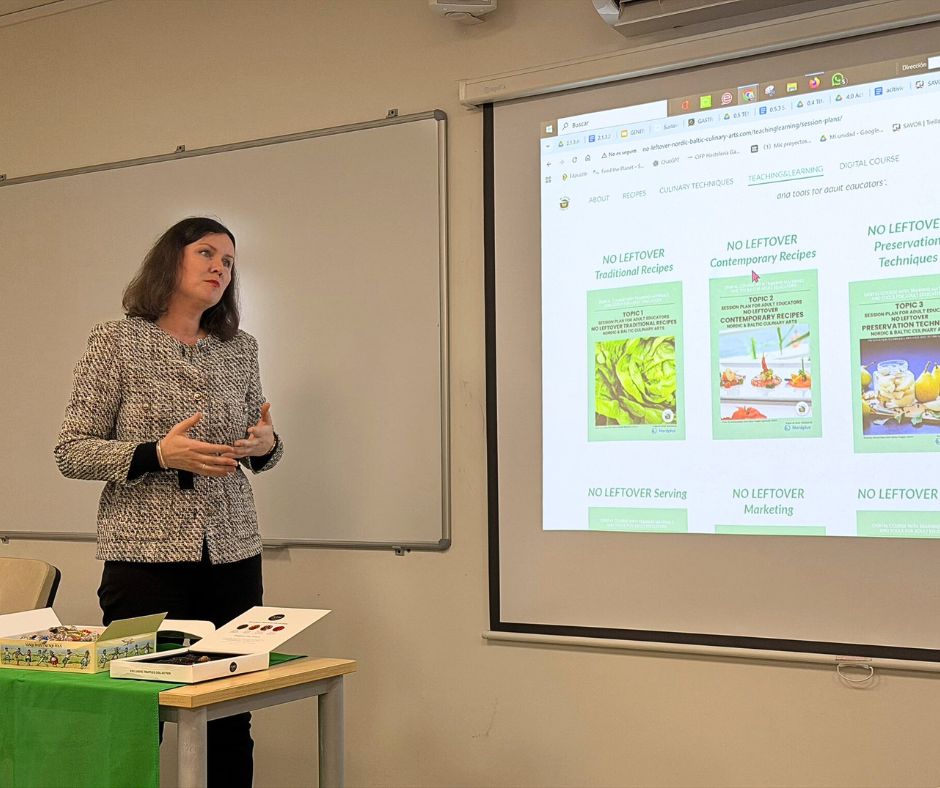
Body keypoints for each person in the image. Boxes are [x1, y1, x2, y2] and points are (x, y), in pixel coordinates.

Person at [54, 216, 283, 787]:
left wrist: (266, 445)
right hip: (144, 561)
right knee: (136, 715)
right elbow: (71, 451)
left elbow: (257, 437)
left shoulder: (240, 349)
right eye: (206, 253)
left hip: (233, 555)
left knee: (230, 711)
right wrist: (158, 453)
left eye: (228, 262)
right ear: (170, 260)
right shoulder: (116, 342)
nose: (219, 268)